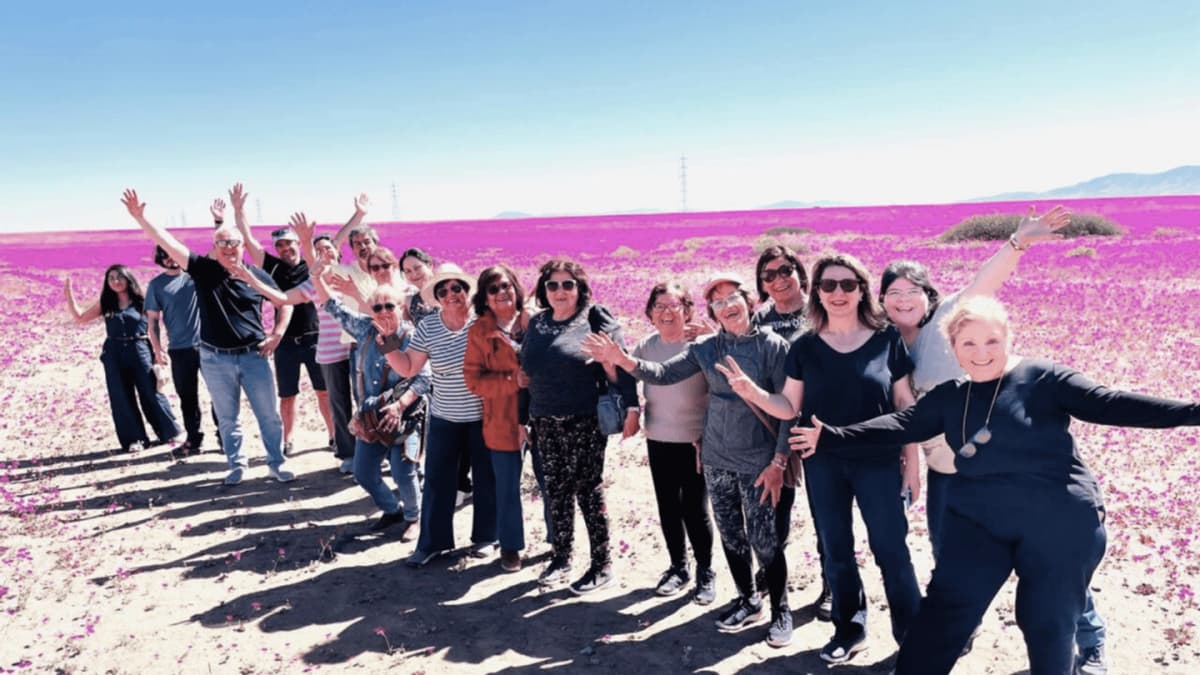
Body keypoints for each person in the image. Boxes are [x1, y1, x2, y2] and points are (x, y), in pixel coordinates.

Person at [789, 295, 1200, 675]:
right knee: (944, 614)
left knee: (1047, 619)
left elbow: (1111, 403)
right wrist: (834, 435)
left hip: (1059, 520)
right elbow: (901, 424)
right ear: (953, 347)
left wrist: (1193, 412)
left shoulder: (1043, 379)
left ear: (1008, 337)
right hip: (980, 521)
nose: (981, 353)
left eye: (991, 341)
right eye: (968, 344)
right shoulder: (951, 396)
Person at [878, 205, 1108, 668]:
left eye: (913, 291)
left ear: (929, 295)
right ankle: (963, 627)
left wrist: (1018, 241)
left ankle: (1089, 640)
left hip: (1005, 470)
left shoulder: (948, 322)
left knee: (1054, 573)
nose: (903, 299)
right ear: (881, 299)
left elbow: (983, 283)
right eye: (893, 292)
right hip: (950, 474)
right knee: (954, 562)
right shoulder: (883, 342)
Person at [583, 273, 793, 646]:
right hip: (715, 458)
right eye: (718, 301)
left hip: (758, 461)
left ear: (749, 301)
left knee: (764, 540)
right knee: (731, 535)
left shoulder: (773, 347)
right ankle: (748, 599)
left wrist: (778, 462)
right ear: (711, 311)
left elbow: (787, 410)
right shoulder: (706, 348)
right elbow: (662, 374)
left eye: (733, 298)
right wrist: (623, 360)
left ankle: (781, 610)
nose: (727, 306)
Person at [735, 253, 921, 664]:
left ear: (862, 290)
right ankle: (849, 629)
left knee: (891, 548)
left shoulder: (886, 339)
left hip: (879, 461)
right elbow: (788, 405)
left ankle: (911, 633)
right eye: (829, 285)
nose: (838, 293)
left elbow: (905, 405)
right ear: (817, 292)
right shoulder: (804, 347)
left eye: (847, 284)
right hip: (823, 462)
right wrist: (752, 392)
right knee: (835, 548)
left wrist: (913, 463)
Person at [122, 189, 295, 485]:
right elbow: (167, 242)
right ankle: (236, 465)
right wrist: (141, 218)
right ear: (214, 246)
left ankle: (276, 463)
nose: (228, 248)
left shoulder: (257, 275)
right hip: (216, 358)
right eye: (222, 244)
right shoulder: (204, 271)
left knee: (268, 416)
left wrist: (277, 334)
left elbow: (284, 303)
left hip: (255, 356)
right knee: (228, 419)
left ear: (242, 246)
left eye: (233, 243)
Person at [522, 259, 638, 596]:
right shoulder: (538, 323)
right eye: (553, 285)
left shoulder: (593, 316)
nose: (560, 291)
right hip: (543, 419)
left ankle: (602, 565)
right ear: (544, 290)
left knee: (588, 490)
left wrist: (632, 406)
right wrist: (522, 418)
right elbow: (526, 373)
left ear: (580, 288)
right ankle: (562, 557)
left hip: (583, 419)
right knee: (555, 491)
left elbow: (620, 363)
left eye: (568, 284)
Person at [382, 263, 498, 568]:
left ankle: (487, 538)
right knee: (437, 481)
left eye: (456, 288)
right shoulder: (429, 326)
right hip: (445, 417)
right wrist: (389, 343)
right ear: (436, 296)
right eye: (442, 290)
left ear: (466, 290)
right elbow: (409, 368)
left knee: (486, 479)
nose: (450, 294)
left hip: (483, 416)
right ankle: (432, 543)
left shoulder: (484, 323)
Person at [749, 244, 838, 620]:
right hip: (773, 425)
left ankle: (833, 584)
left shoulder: (820, 311)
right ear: (762, 284)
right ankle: (771, 570)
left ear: (800, 272)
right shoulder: (758, 319)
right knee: (774, 507)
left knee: (826, 513)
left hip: (818, 424)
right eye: (768, 275)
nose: (778, 279)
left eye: (785, 270)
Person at [313, 266, 428, 534]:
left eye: (390, 305)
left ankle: (414, 517)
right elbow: (332, 305)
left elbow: (424, 379)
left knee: (403, 474)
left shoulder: (413, 337)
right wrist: (316, 276)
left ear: (402, 307)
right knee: (363, 473)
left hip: (406, 417)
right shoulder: (365, 329)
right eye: (377, 307)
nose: (384, 311)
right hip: (371, 416)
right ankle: (391, 510)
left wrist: (400, 405)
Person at [628, 282, 716, 603]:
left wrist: (708, 434)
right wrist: (630, 409)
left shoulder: (702, 345)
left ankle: (706, 571)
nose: (666, 312)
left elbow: (722, 390)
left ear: (687, 310)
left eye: (674, 306)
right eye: (659, 306)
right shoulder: (645, 346)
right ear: (650, 312)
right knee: (668, 506)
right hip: (659, 438)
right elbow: (625, 378)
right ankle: (679, 566)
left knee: (695, 509)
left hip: (695, 442)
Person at [229, 183, 333, 457]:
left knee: (324, 392)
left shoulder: (311, 264)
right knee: (287, 395)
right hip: (285, 342)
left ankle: (334, 436)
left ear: (299, 244)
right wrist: (239, 211)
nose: (285, 249)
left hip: (315, 338)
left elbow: (337, 243)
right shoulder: (272, 266)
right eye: (280, 245)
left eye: (289, 243)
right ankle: (288, 440)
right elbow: (248, 239)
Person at [64, 265, 181, 453]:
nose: (116, 281)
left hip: (140, 348)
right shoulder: (106, 303)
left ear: (128, 279)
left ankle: (169, 432)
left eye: (120, 277)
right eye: (111, 278)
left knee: (151, 391)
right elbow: (80, 317)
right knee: (121, 396)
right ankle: (135, 439)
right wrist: (68, 295)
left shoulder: (142, 300)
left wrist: (159, 352)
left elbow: (153, 326)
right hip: (114, 353)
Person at [462, 265, 532, 572]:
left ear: (516, 288)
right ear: (485, 299)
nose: (502, 292)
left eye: (506, 286)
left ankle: (559, 542)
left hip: (542, 414)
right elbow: (473, 380)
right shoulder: (479, 331)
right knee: (506, 485)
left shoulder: (537, 321)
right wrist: (510, 380)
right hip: (502, 417)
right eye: (493, 289)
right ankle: (510, 545)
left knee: (551, 481)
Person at [285, 212, 358, 474]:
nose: (324, 252)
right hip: (330, 352)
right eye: (318, 250)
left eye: (328, 248)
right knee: (339, 404)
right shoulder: (314, 282)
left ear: (338, 252)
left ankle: (371, 451)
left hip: (358, 349)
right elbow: (285, 298)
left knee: (365, 402)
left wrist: (358, 214)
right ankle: (347, 453)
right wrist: (306, 243)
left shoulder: (352, 274)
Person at [146, 242, 209, 455]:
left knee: (219, 394)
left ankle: (224, 436)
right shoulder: (157, 285)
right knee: (187, 397)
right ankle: (194, 439)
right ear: (161, 259)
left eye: (174, 254)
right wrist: (157, 348)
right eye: (166, 256)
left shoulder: (197, 276)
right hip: (179, 349)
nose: (171, 259)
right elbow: (153, 320)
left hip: (208, 346)